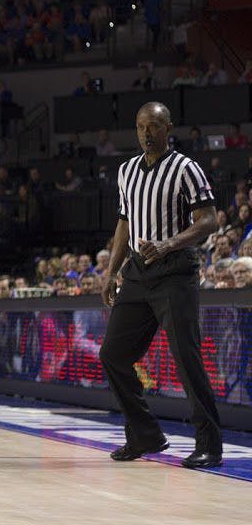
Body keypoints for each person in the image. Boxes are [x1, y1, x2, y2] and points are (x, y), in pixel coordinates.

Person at [100, 101, 222, 469]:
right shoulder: (126, 172)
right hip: (138, 272)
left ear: (168, 129)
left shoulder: (186, 168)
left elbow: (209, 221)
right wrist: (111, 271)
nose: (146, 133)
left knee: (186, 357)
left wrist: (167, 244)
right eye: (140, 127)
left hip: (175, 270)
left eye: (153, 126)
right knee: (113, 355)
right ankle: (145, 435)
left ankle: (210, 445)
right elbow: (124, 223)